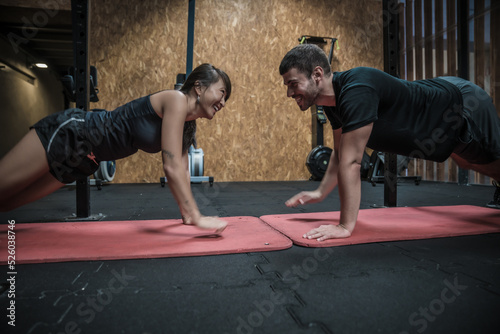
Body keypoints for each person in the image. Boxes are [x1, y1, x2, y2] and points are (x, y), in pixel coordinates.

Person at [279, 44, 500, 241]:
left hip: (461, 105)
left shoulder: (357, 91)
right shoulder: (332, 104)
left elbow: (352, 162)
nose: (290, 93)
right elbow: (339, 153)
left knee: (493, 160)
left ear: (317, 74)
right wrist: (320, 193)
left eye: (293, 83)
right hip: (439, 103)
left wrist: (345, 226)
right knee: (465, 162)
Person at [0, 63, 230, 233]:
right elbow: (170, 167)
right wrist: (198, 217)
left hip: (85, 161)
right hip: (73, 134)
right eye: (221, 93)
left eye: (226, 99)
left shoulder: (188, 127)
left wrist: (188, 215)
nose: (223, 103)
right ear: (199, 87)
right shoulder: (176, 100)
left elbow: (182, 170)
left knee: (7, 203)